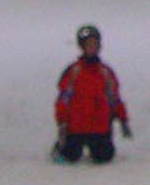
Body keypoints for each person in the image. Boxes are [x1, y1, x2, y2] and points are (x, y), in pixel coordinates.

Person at [53, 24, 131, 164]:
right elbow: (63, 99)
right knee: (69, 156)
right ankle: (62, 147)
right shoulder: (73, 72)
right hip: (76, 127)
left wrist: (122, 118)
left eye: (95, 44)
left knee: (104, 156)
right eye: (89, 44)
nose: (92, 48)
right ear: (82, 47)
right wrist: (62, 122)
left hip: (99, 127)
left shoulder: (105, 72)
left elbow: (114, 98)